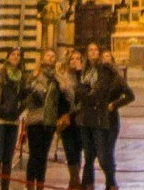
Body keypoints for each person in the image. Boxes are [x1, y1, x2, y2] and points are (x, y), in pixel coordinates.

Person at [76, 46, 133, 190]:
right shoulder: (84, 72)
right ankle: (87, 185)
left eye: (96, 50)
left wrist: (113, 104)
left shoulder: (107, 72)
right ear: (87, 54)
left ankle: (111, 183)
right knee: (88, 156)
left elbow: (97, 94)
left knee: (103, 155)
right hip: (86, 117)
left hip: (101, 118)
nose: (93, 52)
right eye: (90, 50)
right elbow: (79, 93)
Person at [22, 49, 65, 188]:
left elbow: (63, 95)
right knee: (34, 154)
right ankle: (30, 185)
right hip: (35, 119)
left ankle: (40, 185)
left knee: (43, 156)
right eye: (47, 55)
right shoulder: (34, 75)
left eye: (53, 56)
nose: (50, 58)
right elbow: (26, 94)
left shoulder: (57, 78)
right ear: (42, 58)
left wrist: (59, 77)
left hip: (49, 121)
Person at [0, 46, 28, 183]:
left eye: (18, 55)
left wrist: (19, 111)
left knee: (8, 158)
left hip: (13, 120)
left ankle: (5, 187)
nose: (16, 57)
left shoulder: (22, 77)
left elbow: (25, 97)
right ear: (7, 57)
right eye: (13, 54)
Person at [58, 51, 89, 190]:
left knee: (78, 150)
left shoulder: (84, 77)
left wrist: (79, 73)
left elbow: (85, 94)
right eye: (72, 59)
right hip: (66, 119)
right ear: (68, 61)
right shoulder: (61, 77)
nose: (75, 61)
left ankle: (75, 181)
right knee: (70, 150)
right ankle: (74, 180)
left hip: (81, 119)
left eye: (78, 58)